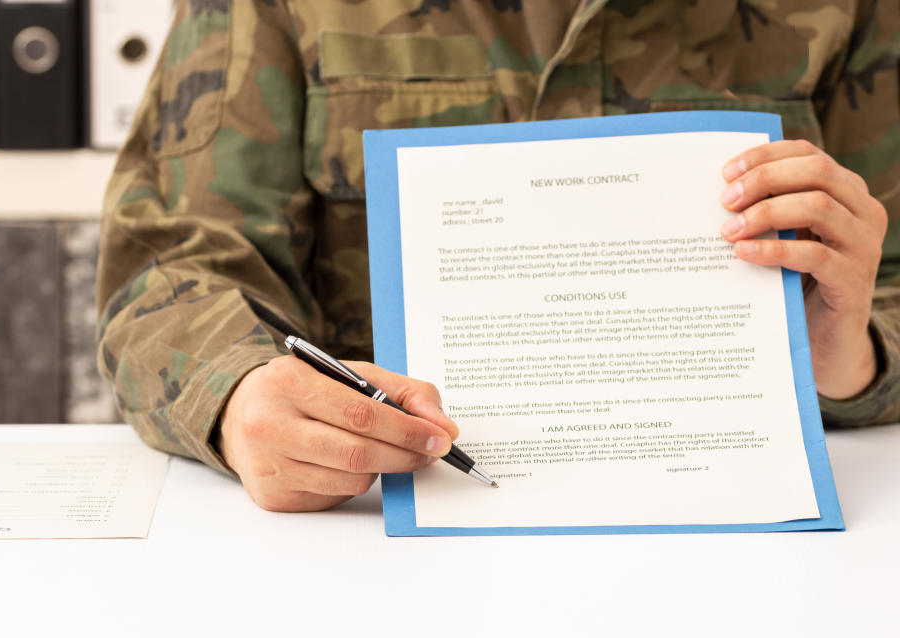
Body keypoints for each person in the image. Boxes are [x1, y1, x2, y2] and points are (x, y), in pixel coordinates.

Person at [96, 0, 900, 512]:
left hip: (754, 552)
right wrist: (237, 395)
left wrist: (852, 355)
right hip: (368, 547)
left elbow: (889, 278)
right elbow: (170, 263)